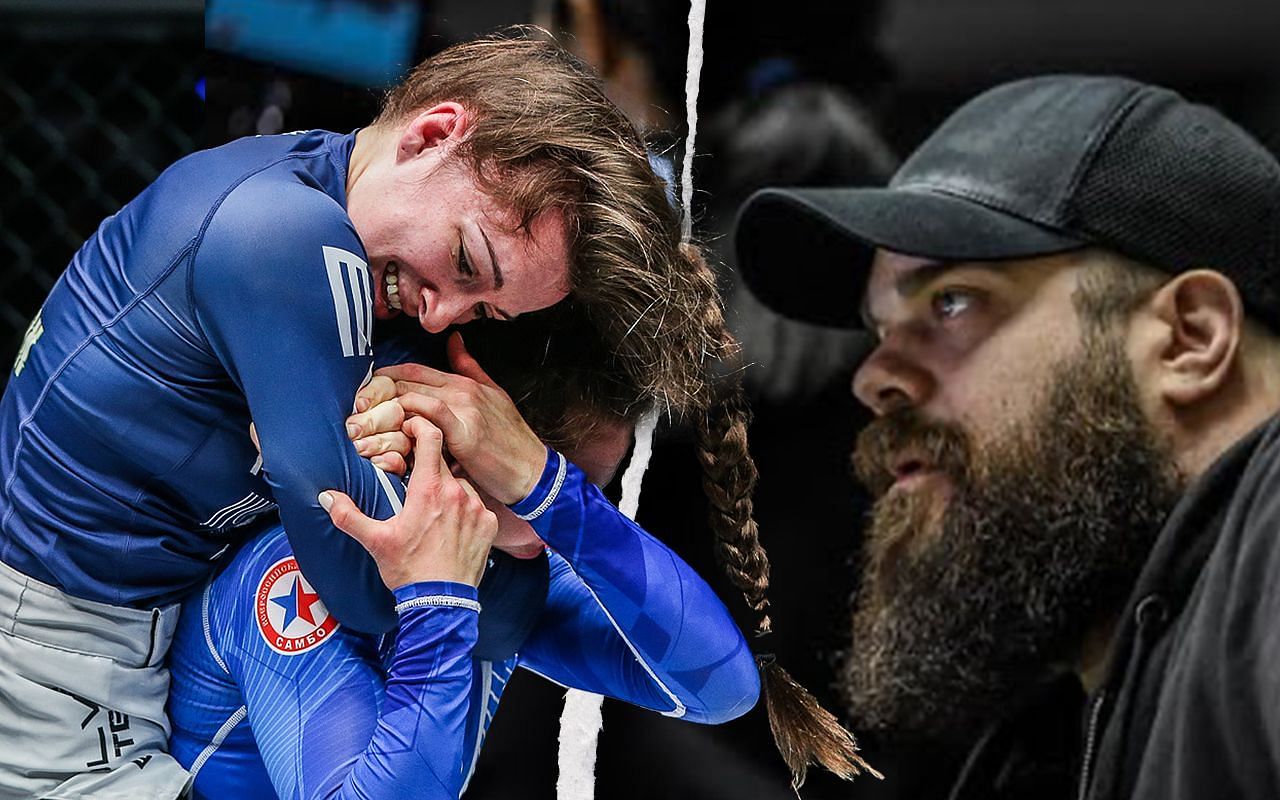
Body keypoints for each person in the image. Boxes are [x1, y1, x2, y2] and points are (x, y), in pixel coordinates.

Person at [0, 30, 738, 797]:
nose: (442, 311)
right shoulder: (284, 232)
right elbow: (361, 589)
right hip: (51, 692)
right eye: (465, 261)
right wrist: (486, 570)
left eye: (487, 310)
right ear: (432, 133)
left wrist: (546, 490)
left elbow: (721, 688)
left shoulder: (365, 255)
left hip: (119, 659)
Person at [735, 75, 1280, 799]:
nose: (872, 378)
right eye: (880, 329)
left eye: (952, 301)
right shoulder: (1055, 733)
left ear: (1190, 338)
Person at [166, 330, 760, 798]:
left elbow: (721, 689)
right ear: (451, 449)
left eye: (589, 490)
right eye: (518, 486)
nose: (555, 540)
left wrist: (551, 491)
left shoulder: (513, 555)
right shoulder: (293, 570)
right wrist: (438, 604)